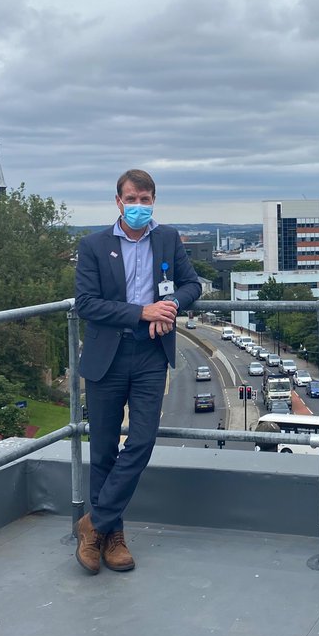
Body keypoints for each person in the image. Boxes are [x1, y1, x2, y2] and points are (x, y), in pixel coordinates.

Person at [73, 169, 202, 574]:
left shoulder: (167, 238)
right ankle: (111, 538)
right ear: (118, 201)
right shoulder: (93, 245)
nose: (140, 207)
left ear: (153, 202)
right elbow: (87, 304)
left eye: (146, 200)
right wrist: (141, 311)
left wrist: (170, 307)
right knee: (104, 449)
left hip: (149, 354)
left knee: (142, 441)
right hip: (106, 357)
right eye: (133, 199)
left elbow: (191, 285)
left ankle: (94, 524)